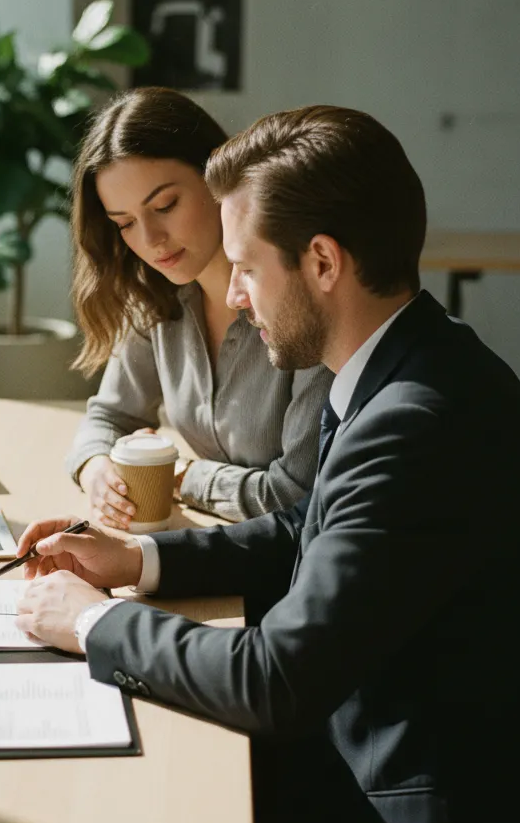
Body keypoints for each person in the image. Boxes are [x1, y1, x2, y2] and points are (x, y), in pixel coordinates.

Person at [14, 105, 520, 823]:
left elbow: (276, 682)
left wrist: (88, 620)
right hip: (370, 733)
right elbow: (303, 528)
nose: (235, 296)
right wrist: (139, 559)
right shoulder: (409, 364)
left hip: (414, 808)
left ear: (321, 262)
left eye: (246, 268)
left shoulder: (415, 420)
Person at [67, 87, 331, 529]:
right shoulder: (155, 298)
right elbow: (110, 416)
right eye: (125, 224)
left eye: (165, 205)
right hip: (213, 543)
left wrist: (180, 476)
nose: (150, 240)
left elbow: (295, 494)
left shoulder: (296, 298)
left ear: (217, 177)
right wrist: (95, 470)